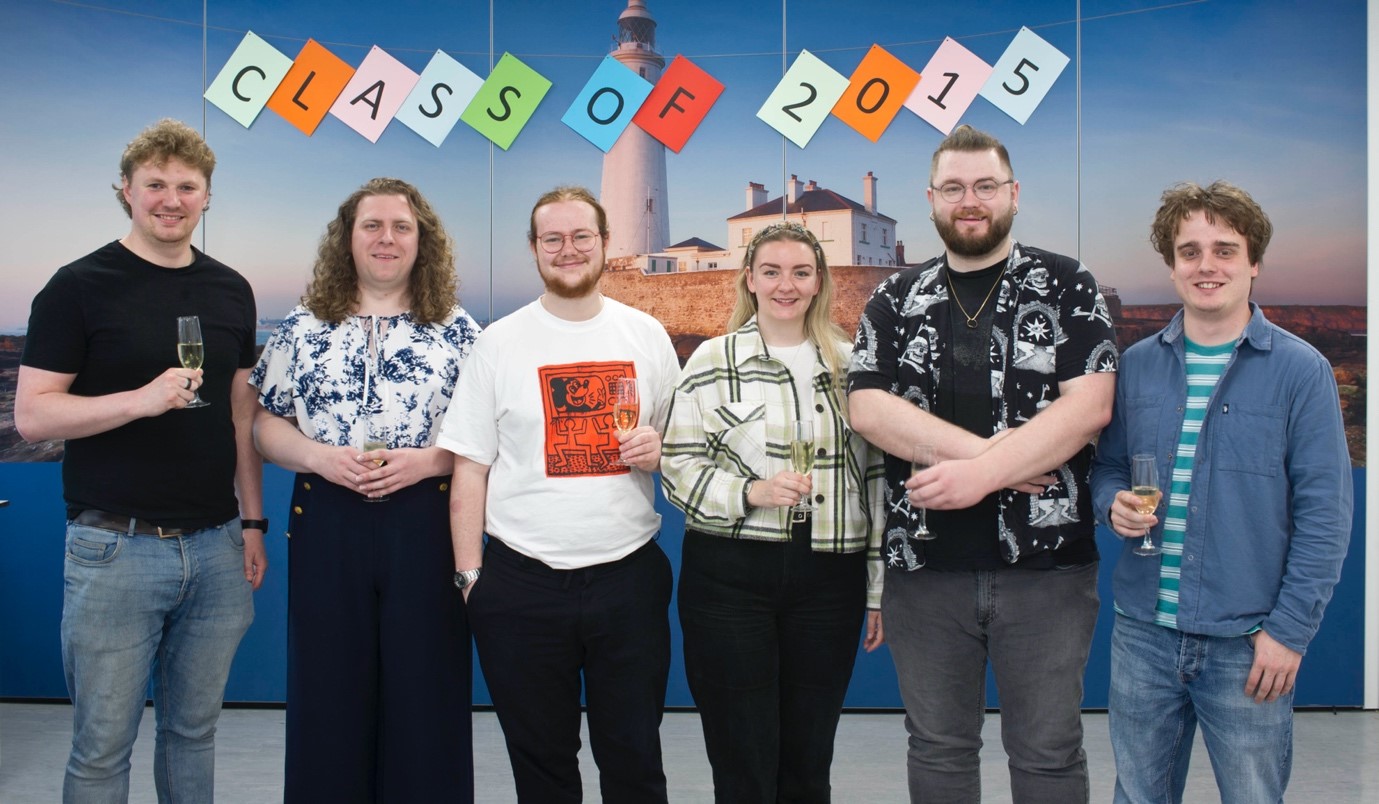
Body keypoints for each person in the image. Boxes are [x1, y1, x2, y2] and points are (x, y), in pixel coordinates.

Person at [847, 124, 1119, 803]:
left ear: (1013, 194)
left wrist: (980, 476)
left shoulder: (1064, 283)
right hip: (925, 571)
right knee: (938, 750)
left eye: (985, 186)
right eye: (954, 188)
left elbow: (1087, 407)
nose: (970, 200)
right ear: (932, 198)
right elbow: (868, 407)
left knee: (1048, 753)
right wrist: (987, 462)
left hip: (1048, 573)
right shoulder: (893, 298)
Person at [14, 118, 267, 802]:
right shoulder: (78, 286)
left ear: (206, 198)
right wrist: (139, 400)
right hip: (113, 548)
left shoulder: (230, 290)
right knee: (101, 751)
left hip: (216, 549)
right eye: (155, 184)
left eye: (187, 186)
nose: (171, 198)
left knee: (193, 737)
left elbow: (241, 416)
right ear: (126, 191)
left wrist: (252, 525)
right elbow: (33, 415)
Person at [1090, 181, 1352, 803]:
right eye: (1190, 251)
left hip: (1248, 643)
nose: (1207, 265)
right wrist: (1112, 503)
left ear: (1253, 263)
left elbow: (1326, 517)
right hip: (1143, 636)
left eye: (1225, 250)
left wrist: (1289, 633)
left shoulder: (1302, 371)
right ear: (1172, 266)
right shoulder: (1135, 367)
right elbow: (1107, 469)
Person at [438, 185, 679, 803]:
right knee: (542, 767)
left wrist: (662, 450)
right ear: (535, 249)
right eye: (554, 239)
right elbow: (470, 468)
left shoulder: (647, 335)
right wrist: (471, 579)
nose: (568, 250)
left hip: (627, 579)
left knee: (634, 760)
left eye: (581, 237)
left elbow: (686, 447)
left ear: (604, 245)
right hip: (520, 586)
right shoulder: (498, 343)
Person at [251, 177, 480, 802]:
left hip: (426, 524)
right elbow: (265, 422)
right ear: (346, 240)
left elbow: (487, 436)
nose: (386, 238)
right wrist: (317, 457)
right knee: (328, 693)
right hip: (327, 518)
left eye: (401, 227)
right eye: (371, 226)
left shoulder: (457, 329)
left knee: (426, 693)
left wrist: (430, 462)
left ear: (421, 240)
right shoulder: (303, 325)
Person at [660, 221, 887, 802]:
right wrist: (748, 493)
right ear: (750, 281)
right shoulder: (713, 360)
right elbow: (677, 466)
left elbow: (879, 479)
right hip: (729, 576)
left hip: (828, 575)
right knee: (743, 757)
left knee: (810, 757)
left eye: (800, 272)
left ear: (819, 283)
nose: (786, 285)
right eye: (771, 271)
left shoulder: (852, 364)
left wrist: (876, 589)